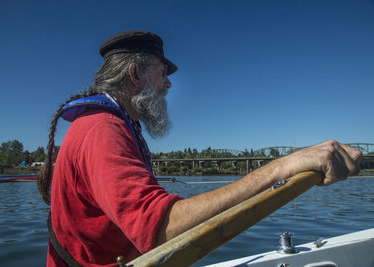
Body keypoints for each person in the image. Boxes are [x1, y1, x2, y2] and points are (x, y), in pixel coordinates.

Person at [37, 30, 362, 267]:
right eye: (162, 72)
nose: (168, 84)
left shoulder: (115, 123)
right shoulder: (102, 130)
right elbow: (159, 229)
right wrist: (283, 166)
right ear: (135, 74)